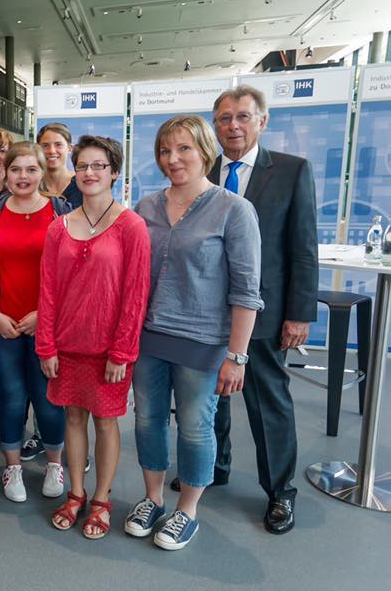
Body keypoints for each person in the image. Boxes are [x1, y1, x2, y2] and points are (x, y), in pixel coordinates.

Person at [170, 85, 317, 535]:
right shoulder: (200, 169)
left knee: (267, 402)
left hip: (263, 313)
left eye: (243, 117)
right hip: (202, 314)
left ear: (262, 122)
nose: (233, 126)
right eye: (224, 118)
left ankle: (280, 492)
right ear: (214, 125)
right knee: (207, 400)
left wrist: (299, 313)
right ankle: (213, 467)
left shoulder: (291, 171)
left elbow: (303, 247)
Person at [125, 115, 263, 550]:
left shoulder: (234, 209)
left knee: (194, 426)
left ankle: (187, 510)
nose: (173, 159)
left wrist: (236, 356)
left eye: (183, 148)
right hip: (148, 337)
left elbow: (247, 290)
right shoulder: (145, 207)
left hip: (203, 342)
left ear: (205, 151)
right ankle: (152, 499)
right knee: (147, 419)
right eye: (165, 151)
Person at [36, 136, 150, 539]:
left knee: (105, 421)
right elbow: (48, 291)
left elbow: (136, 295)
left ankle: (101, 499)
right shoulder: (58, 227)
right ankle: (76, 493)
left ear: (114, 172)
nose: (89, 173)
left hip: (108, 350)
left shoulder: (131, 226)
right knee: (72, 417)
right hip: (66, 345)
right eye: (82, 165)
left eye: (98, 165)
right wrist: (46, 345)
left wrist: (122, 352)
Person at [0, 142, 71, 504]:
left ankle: (55, 464)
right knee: (11, 397)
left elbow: (71, 274)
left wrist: (44, 316)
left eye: (31, 169)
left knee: (48, 398)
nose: (23, 177)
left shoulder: (60, 213)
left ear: (42, 172)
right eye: (15, 169)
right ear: (5, 172)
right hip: (4, 325)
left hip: (47, 325)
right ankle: (13, 466)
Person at [37, 123, 83, 208]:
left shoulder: (82, 184)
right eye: (45, 145)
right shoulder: (33, 185)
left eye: (58, 144)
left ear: (69, 149)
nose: (52, 151)